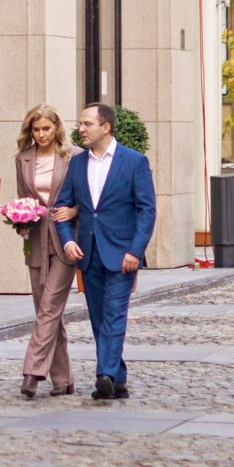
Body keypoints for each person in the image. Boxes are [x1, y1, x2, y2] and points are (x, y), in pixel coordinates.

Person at [55, 102, 157, 401]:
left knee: (114, 314)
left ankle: (105, 374)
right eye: (81, 124)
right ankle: (119, 378)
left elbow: (146, 210)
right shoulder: (76, 164)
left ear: (106, 127)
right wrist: (67, 240)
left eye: (87, 124)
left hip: (122, 254)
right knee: (99, 318)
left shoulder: (134, 161)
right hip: (87, 253)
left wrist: (136, 251)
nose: (80, 129)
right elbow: (63, 208)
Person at [12, 105, 79, 399]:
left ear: (57, 128)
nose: (41, 135)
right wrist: (19, 220)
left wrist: (74, 210)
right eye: (36, 129)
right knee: (45, 311)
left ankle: (31, 372)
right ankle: (63, 380)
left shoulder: (73, 157)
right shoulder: (22, 159)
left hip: (66, 239)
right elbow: (23, 198)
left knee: (50, 306)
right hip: (35, 239)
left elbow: (86, 197)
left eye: (46, 129)